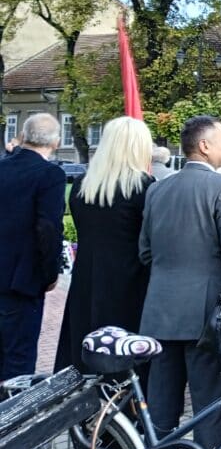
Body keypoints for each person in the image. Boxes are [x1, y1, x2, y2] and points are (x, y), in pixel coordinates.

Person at [138, 116, 221, 449]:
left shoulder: (158, 188)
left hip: (160, 312)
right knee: (210, 408)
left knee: (161, 410)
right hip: (207, 317)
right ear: (204, 146)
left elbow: (145, 251)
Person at [55, 117, 156, 373]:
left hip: (87, 277)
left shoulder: (83, 186)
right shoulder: (143, 188)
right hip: (129, 281)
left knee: (84, 342)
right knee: (123, 351)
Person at [0, 113, 65, 380]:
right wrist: (50, 274)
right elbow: (48, 229)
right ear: (56, 142)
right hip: (22, 281)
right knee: (19, 360)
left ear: (24, 136)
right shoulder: (50, 174)